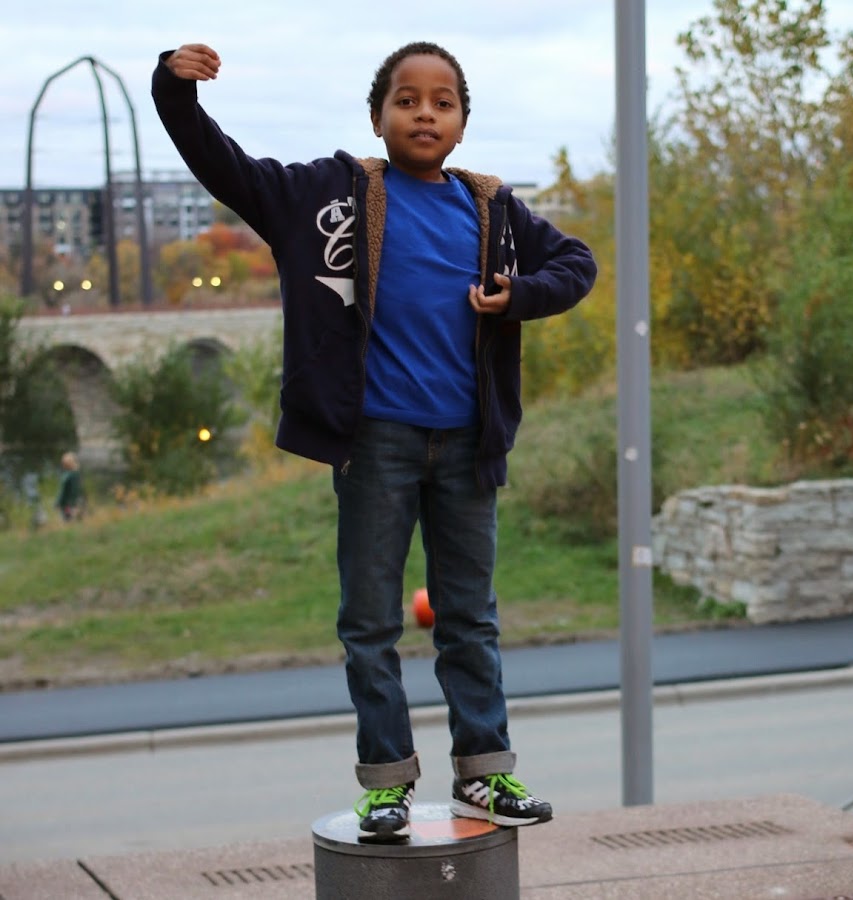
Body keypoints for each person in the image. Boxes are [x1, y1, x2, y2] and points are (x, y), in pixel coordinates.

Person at [153, 40, 597, 844]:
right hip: (375, 444)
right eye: (407, 99)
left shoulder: (493, 208)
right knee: (369, 624)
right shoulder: (328, 195)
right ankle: (386, 785)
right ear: (377, 116)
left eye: (443, 102)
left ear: (462, 123)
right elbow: (227, 169)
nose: (425, 113)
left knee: (470, 619)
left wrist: (519, 295)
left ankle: (484, 774)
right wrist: (175, 93)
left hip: (467, 445)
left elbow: (577, 263)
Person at [55, 451, 84, 522]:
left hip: (67, 504)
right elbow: (78, 491)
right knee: (75, 522)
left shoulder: (67, 476)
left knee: (67, 522)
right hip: (75, 503)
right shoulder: (77, 474)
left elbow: (63, 491)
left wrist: (58, 502)